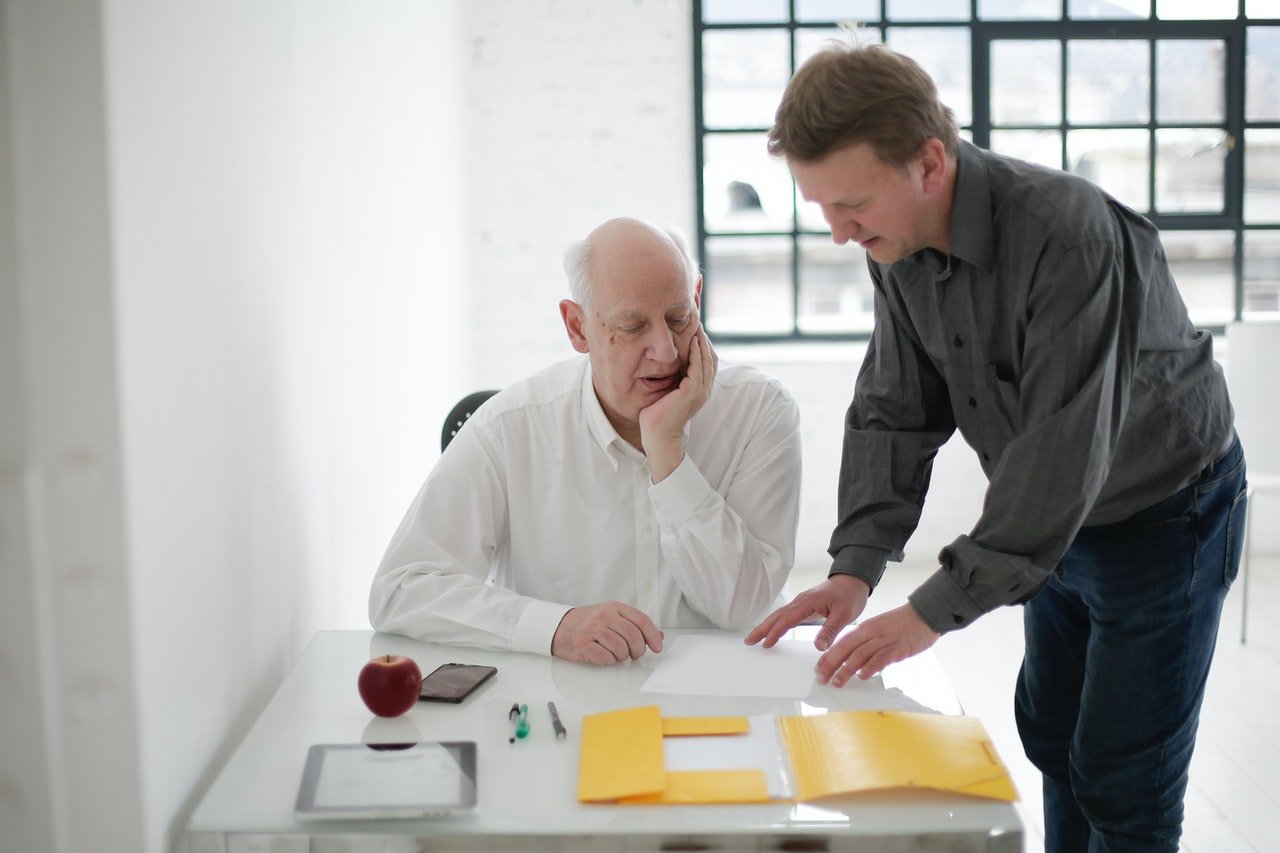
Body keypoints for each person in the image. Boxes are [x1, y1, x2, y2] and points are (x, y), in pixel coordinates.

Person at [745, 41, 1247, 852]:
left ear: (930, 162)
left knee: (1125, 775)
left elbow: (1061, 452)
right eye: (822, 208)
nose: (839, 232)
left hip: (1165, 518)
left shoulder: (1068, 235)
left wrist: (930, 612)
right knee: (1052, 734)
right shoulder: (895, 244)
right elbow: (894, 406)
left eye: (852, 205)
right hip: (1049, 524)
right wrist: (855, 566)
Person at [370, 217, 802, 666]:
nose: (666, 351)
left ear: (697, 301)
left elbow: (744, 610)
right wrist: (556, 627)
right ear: (577, 327)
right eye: (632, 326)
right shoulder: (509, 428)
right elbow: (401, 589)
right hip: (566, 706)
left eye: (679, 319)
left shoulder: (759, 410)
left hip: (729, 695)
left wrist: (668, 452)